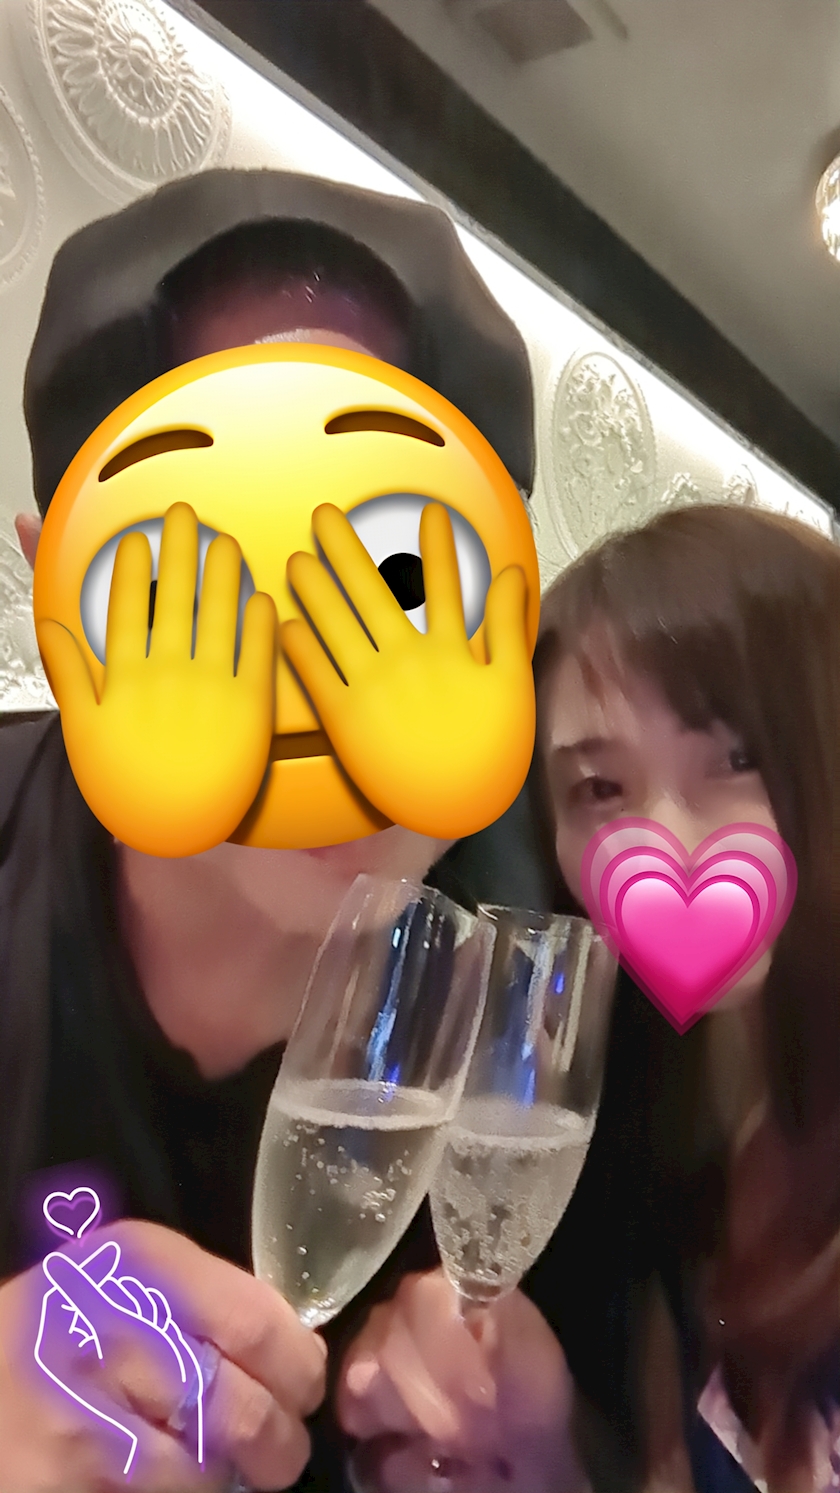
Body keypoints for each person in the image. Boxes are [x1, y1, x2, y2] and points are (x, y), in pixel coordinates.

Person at [0, 167, 536, 1490]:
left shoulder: (549, 985)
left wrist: (547, 1456)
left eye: (401, 575)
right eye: (205, 569)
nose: (320, 684)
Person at [341, 503, 840, 1493]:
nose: (671, 843)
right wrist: (541, 1445)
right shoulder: (652, 1117)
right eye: (602, 789)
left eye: (736, 758)